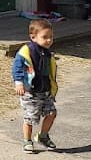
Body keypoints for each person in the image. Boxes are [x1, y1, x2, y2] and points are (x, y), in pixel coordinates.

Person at [13, 19, 59, 152]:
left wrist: (52, 88)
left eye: (51, 37)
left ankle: (43, 136)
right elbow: (17, 67)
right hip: (30, 92)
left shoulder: (47, 53)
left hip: (45, 91)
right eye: (45, 37)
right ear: (33, 37)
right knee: (30, 117)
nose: (49, 40)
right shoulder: (26, 51)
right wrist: (19, 82)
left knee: (52, 113)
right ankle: (27, 141)